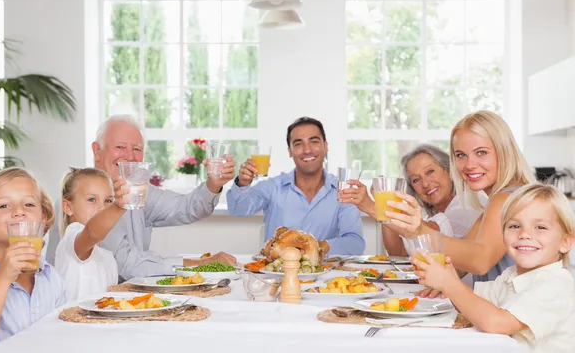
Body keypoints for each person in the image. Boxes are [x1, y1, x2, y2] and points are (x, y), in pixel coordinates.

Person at [339, 111, 536, 293]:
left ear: (503, 150)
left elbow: (480, 260)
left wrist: (415, 230)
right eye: (460, 155)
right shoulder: (504, 199)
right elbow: (461, 266)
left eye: (481, 152)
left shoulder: (505, 199)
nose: (469, 165)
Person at [46, 115, 237, 281]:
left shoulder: (137, 190)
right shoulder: (82, 200)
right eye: (120, 147)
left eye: (137, 149)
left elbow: (186, 208)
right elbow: (129, 264)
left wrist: (213, 184)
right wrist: (201, 264)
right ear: (97, 151)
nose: (129, 156)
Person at [413, 184, 575, 353]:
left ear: (565, 242)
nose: (524, 234)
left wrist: (449, 284)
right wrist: (449, 276)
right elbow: (473, 303)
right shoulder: (511, 275)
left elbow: (496, 322)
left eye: (540, 227)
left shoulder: (556, 284)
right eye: (514, 226)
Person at [227, 116, 365, 255]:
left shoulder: (343, 191)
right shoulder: (273, 187)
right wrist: (242, 183)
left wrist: (310, 248)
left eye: (314, 142)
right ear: (289, 151)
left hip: (326, 275)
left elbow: (355, 244)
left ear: (325, 146)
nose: (307, 150)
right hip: (278, 274)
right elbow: (238, 209)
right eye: (298, 144)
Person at [0, 168, 65, 350]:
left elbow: (61, 336)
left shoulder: (51, 277)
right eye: (4, 206)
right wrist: (2, 278)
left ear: (43, 218)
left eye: (29, 205)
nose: (19, 212)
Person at [373, 144, 485, 256]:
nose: (425, 184)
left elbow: (436, 232)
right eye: (416, 180)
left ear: (448, 170)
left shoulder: (470, 201)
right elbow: (398, 253)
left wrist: (385, 209)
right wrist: (385, 201)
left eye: (430, 172)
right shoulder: (429, 218)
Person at [55, 168, 128, 301]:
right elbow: (91, 232)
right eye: (92, 199)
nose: (102, 208)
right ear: (68, 207)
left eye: (108, 201)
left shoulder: (108, 257)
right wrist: (118, 206)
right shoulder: (71, 239)